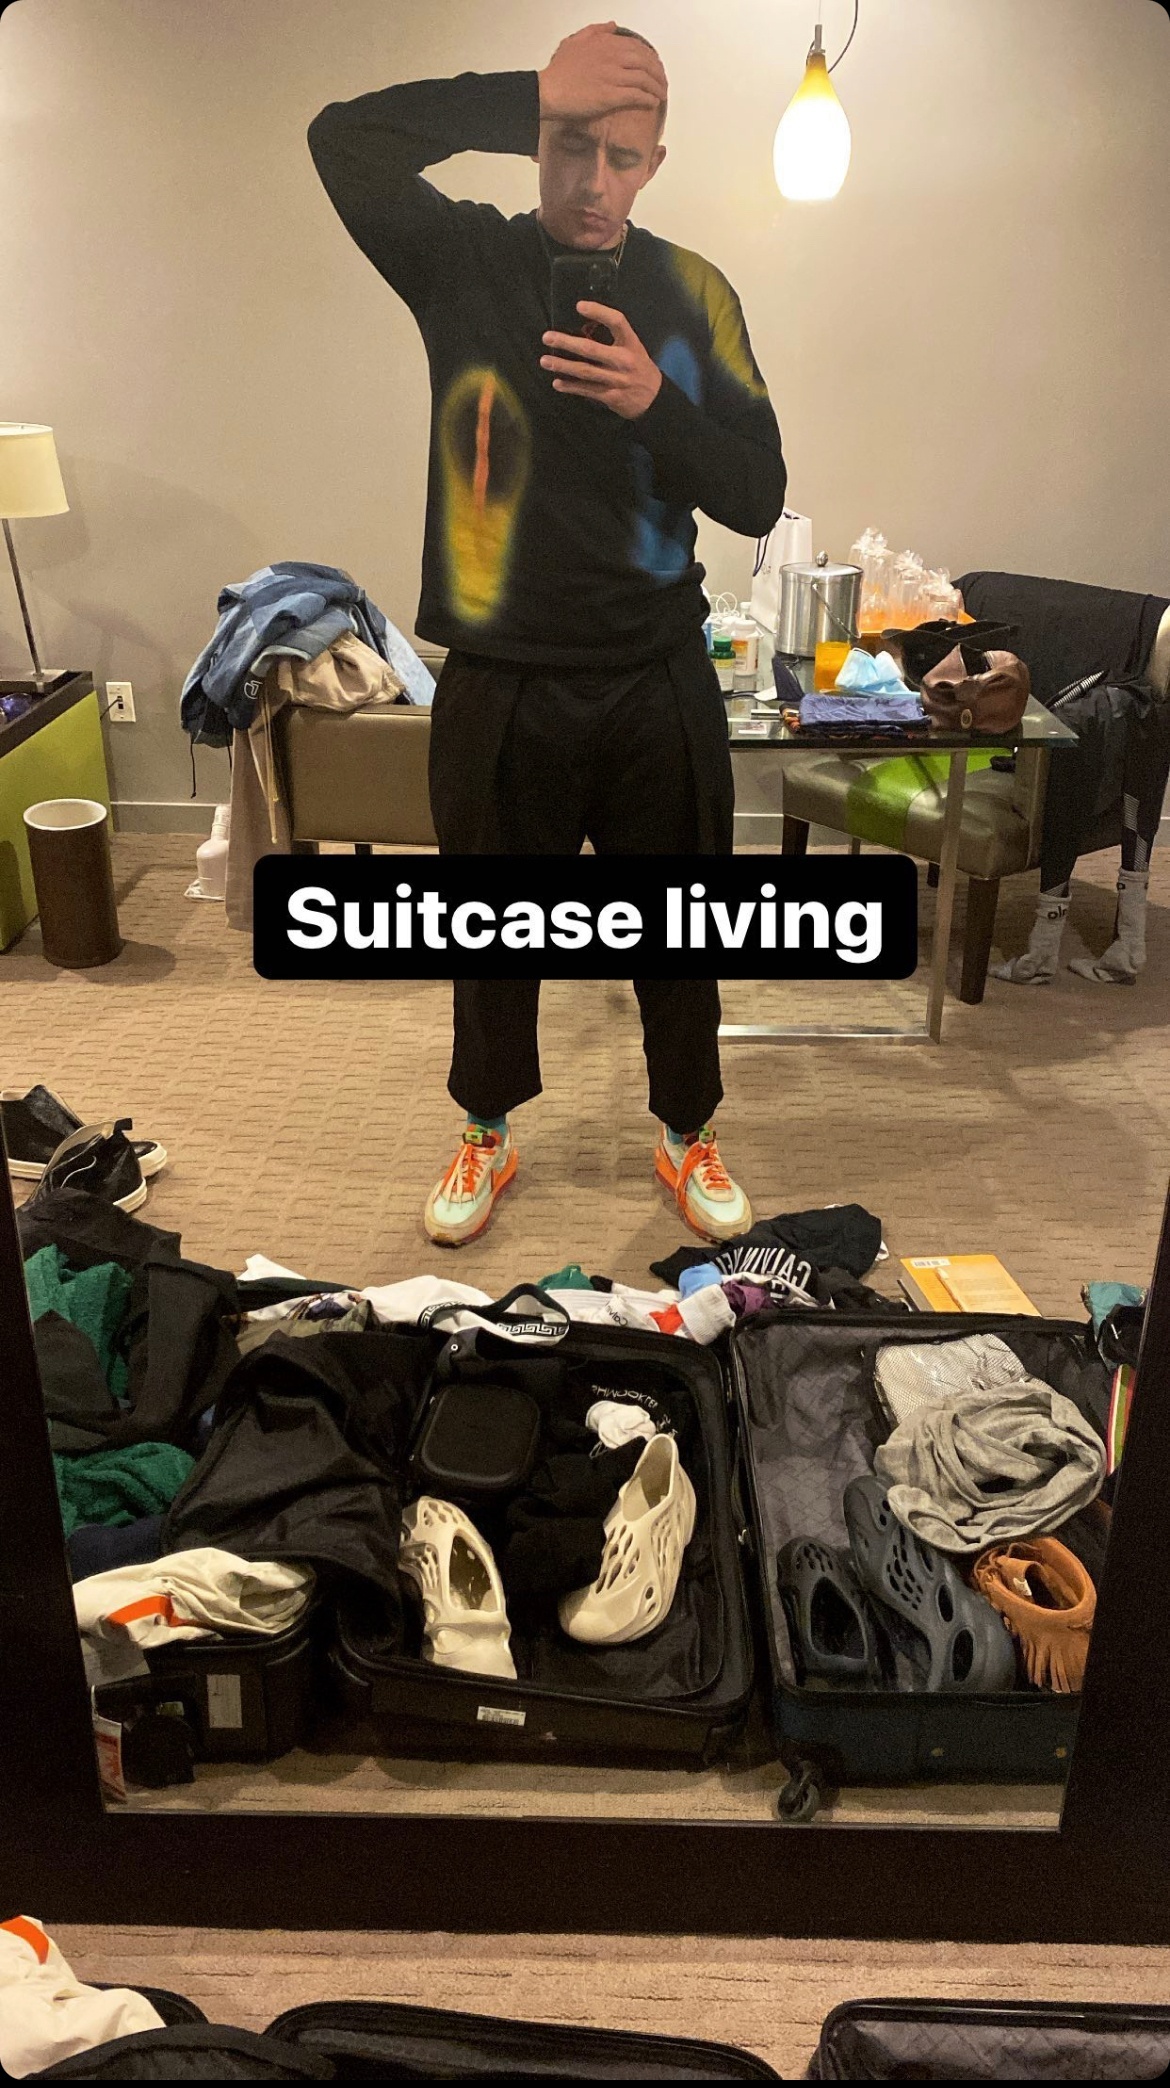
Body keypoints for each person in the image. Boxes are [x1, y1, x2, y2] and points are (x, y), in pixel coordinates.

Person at [309, 20, 786, 1245]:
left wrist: (655, 402)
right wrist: (527, 90)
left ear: (654, 164)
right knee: (491, 937)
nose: (591, 179)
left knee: (680, 936)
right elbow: (343, 139)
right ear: (535, 140)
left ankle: (686, 1134)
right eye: (568, 143)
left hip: (654, 675)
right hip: (504, 675)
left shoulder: (696, 293)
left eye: (621, 155)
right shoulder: (461, 259)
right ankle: (486, 1129)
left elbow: (758, 493)